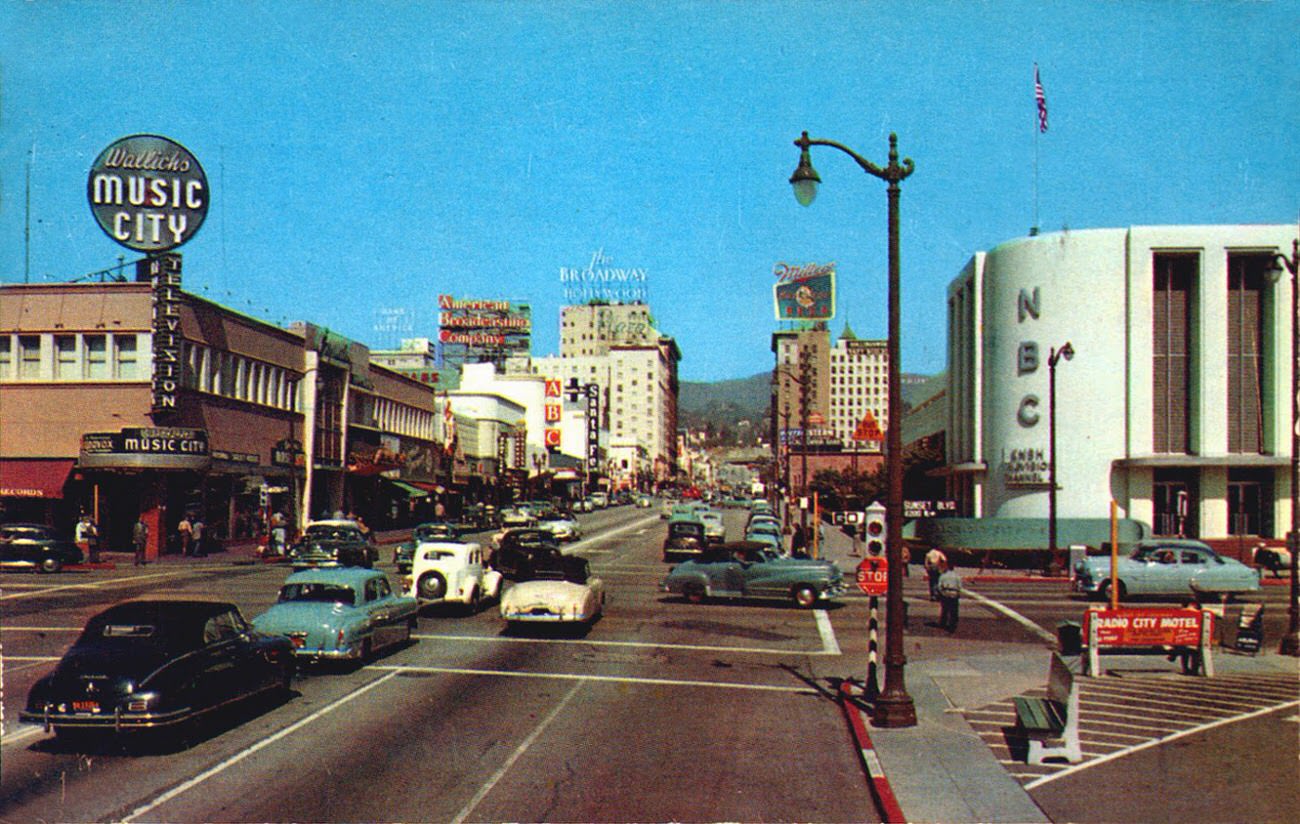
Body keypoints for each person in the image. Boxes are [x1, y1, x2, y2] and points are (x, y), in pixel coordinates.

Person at [937, 559, 962, 633]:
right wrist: (958, 594)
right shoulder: (957, 576)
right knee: (953, 611)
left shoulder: (943, 576)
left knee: (945, 610)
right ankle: (952, 625)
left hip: (946, 593)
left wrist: (941, 593)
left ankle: (943, 623)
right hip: (954, 594)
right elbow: (959, 586)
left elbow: (939, 586)